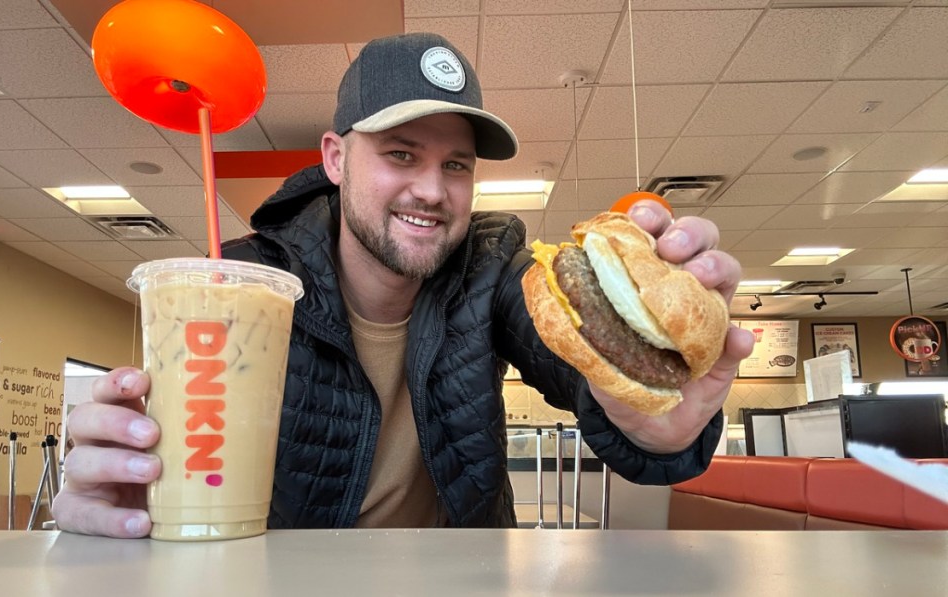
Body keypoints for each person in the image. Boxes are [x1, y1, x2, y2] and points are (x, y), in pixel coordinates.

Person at [53, 32, 754, 537]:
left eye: (456, 165)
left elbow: (580, 374)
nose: (432, 189)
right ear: (335, 157)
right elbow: (175, 457)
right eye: (399, 154)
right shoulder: (246, 280)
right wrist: (116, 495)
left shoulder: (493, 267)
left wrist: (655, 427)